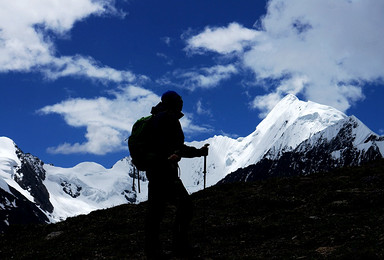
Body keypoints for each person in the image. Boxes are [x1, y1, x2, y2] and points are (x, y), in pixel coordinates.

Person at [144, 90, 208, 259]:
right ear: (174, 103)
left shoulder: (153, 119)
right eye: (179, 100)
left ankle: (153, 251)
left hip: (153, 170)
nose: (181, 103)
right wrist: (199, 153)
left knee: (155, 212)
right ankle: (180, 247)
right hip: (166, 171)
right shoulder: (169, 118)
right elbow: (178, 147)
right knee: (185, 206)